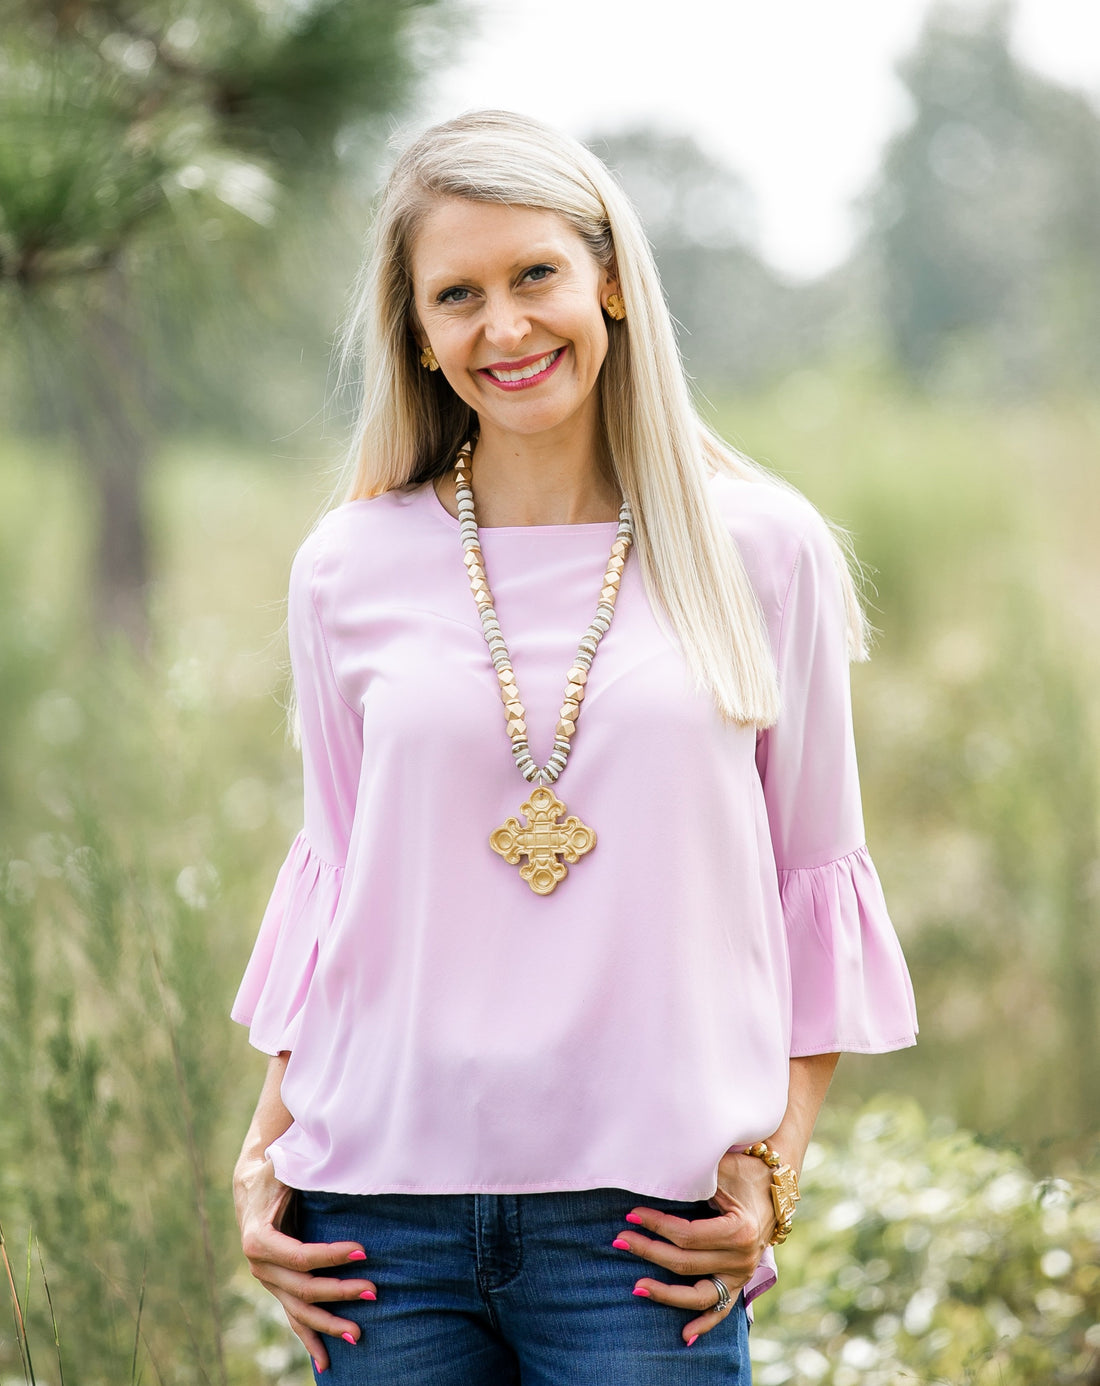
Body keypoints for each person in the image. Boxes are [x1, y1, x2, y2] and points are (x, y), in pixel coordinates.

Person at [230, 110, 918, 1384]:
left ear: (606, 275)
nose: (504, 328)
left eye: (533, 275)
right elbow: (340, 882)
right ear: (419, 337)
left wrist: (772, 1169)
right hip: (378, 1231)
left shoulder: (763, 553)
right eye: (457, 296)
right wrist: (262, 1150)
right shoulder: (345, 565)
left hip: (642, 1231)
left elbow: (809, 874)